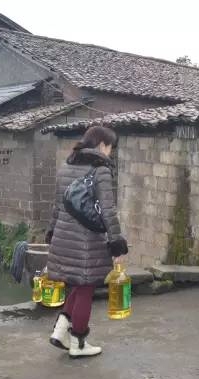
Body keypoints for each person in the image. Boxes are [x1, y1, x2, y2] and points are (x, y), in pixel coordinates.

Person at [46, 126, 128, 358]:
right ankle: (78, 343)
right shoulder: (100, 170)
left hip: (63, 238)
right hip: (87, 243)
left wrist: (51, 232)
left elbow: (57, 206)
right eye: (110, 147)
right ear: (102, 144)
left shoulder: (66, 167)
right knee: (85, 289)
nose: (110, 152)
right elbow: (108, 211)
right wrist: (117, 243)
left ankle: (60, 331)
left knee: (79, 286)